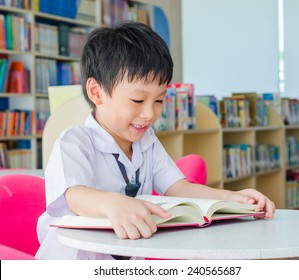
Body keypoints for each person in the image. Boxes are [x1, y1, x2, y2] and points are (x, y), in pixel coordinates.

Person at [36, 21, 275, 260]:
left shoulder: (147, 142)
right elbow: (74, 195)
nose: (150, 114)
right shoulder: (74, 142)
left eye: (159, 101)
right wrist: (113, 204)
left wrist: (232, 198)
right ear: (97, 92)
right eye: (138, 101)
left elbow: (180, 188)